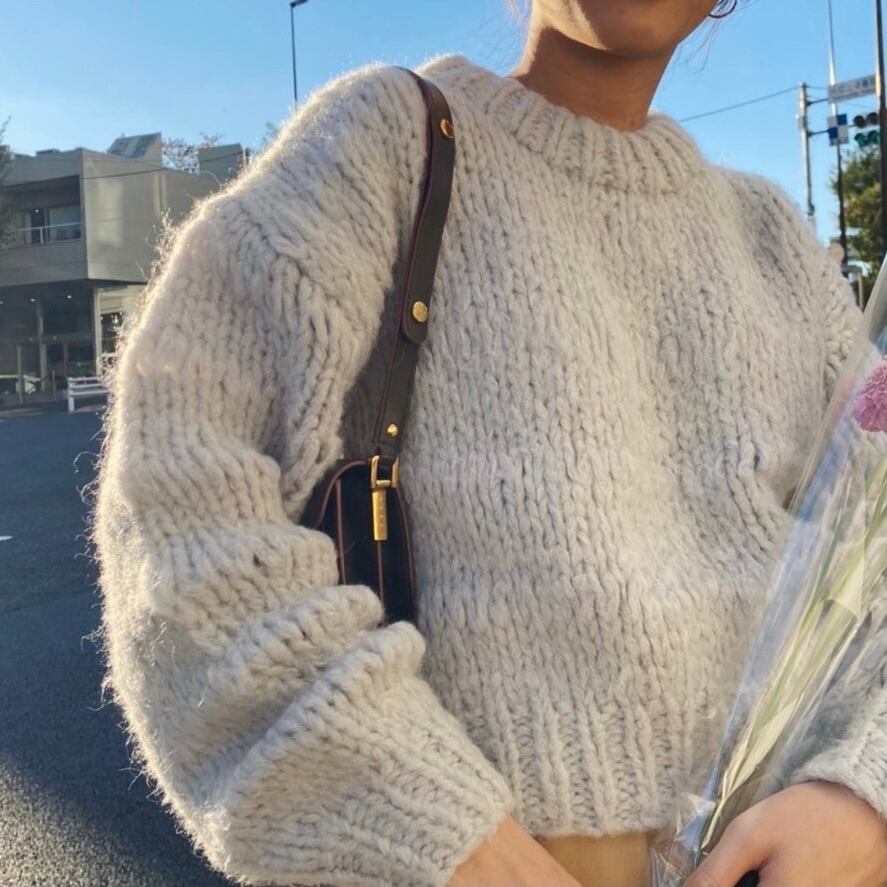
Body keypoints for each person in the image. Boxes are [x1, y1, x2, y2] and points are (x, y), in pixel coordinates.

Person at [93, 1, 887, 885]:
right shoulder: (382, 150)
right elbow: (180, 513)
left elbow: (875, 541)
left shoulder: (771, 243)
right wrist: (432, 827)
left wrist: (863, 794)